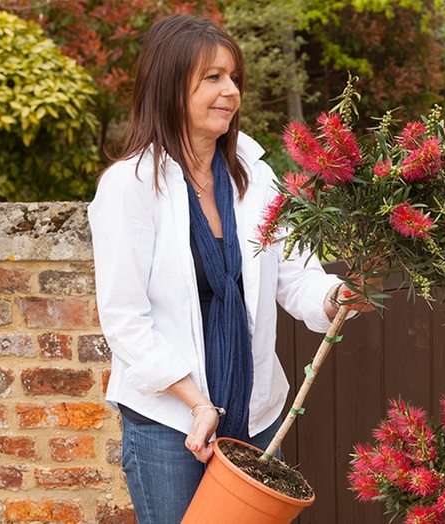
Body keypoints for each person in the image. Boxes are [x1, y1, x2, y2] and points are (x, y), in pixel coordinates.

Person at [88, 14, 368, 523]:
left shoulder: (254, 176)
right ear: (171, 86)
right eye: (213, 77)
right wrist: (197, 403)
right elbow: (125, 319)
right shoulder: (129, 186)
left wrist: (335, 297)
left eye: (234, 77)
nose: (231, 90)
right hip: (169, 423)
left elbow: (294, 274)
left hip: (253, 417)